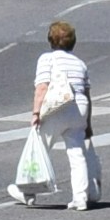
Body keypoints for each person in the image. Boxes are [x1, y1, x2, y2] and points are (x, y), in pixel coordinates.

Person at [28, 14, 97, 209]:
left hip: (57, 108)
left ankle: (28, 191)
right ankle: (80, 198)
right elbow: (87, 94)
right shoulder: (80, 63)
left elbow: (42, 87)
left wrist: (36, 113)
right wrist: (88, 124)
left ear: (51, 40)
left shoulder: (47, 59)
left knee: (39, 149)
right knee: (77, 154)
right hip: (79, 109)